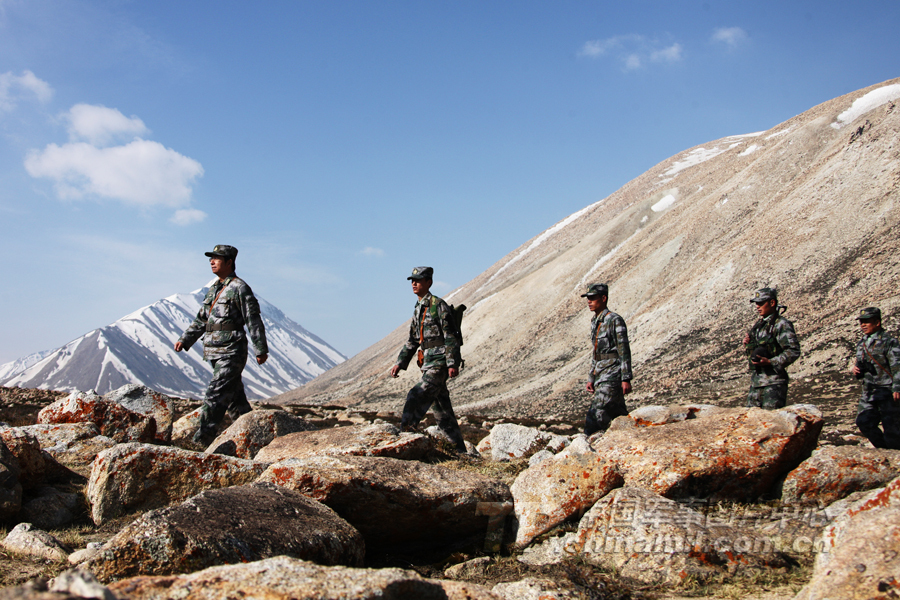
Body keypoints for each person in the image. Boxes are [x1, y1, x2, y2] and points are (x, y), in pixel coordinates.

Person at [175, 245, 268, 446]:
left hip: (232, 350)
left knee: (215, 394)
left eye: (217, 258)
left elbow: (253, 319)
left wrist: (260, 348)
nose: (212, 261)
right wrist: (185, 339)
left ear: (229, 262)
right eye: (211, 258)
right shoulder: (214, 290)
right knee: (236, 402)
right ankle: (255, 441)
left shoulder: (240, 288)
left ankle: (200, 443)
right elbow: (202, 319)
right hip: (214, 351)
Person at [389, 266, 466, 452]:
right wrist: (400, 362)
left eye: (418, 280)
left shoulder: (438, 305)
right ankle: (460, 451)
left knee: (415, 396)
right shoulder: (418, 309)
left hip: (438, 363)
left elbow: (451, 336)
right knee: (442, 411)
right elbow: (413, 340)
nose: (414, 283)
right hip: (427, 363)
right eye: (412, 280)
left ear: (428, 282)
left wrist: (452, 363)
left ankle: (405, 440)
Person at [582, 283, 632, 436]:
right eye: (588, 298)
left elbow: (623, 349)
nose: (589, 301)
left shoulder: (614, 320)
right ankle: (631, 438)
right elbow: (596, 352)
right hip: (601, 374)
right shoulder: (595, 322)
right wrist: (591, 377)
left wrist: (626, 378)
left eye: (593, 298)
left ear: (603, 298)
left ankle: (588, 442)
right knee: (618, 414)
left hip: (612, 374)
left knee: (596, 412)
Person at [742, 287, 800, 409]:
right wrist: (748, 345)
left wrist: (771, 362)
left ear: (772, 303)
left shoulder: (781, 324)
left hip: (774, 383)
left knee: (770, 422)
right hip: (757, 382)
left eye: (761, 303)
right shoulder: (758, 326)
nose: (757, 306)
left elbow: (793, 351)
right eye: (756, 303)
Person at [851, 307, 900, 449]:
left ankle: (895, 459)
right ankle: (884, 450)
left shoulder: (889, 341)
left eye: (866, 322)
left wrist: (897, 387)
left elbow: (897, 366)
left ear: (877, 322)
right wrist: (856, 370)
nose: (863, 325)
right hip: (869, 391)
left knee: (892, 429)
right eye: (861, 322)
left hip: (887, 390)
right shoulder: (862, 343)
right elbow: (860, 364)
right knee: (863, 422)